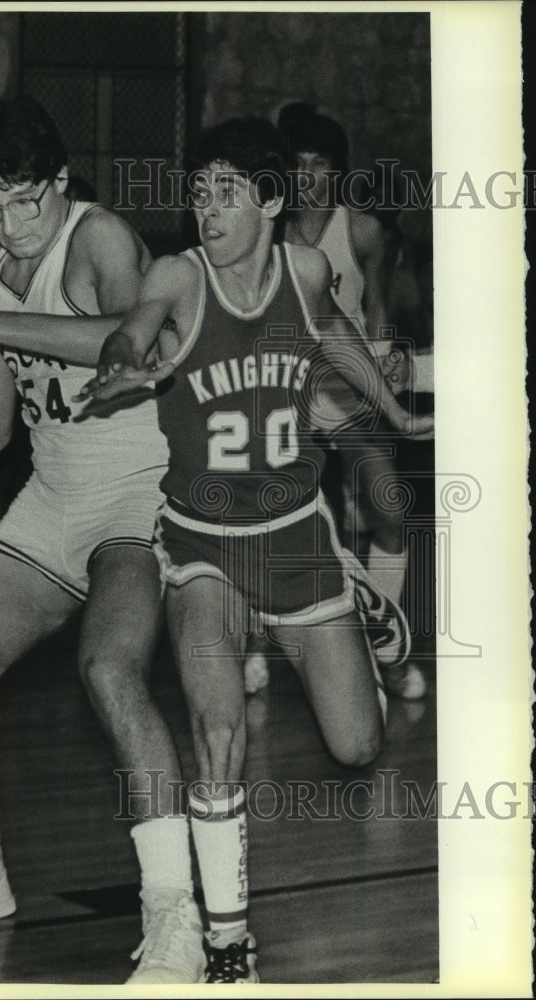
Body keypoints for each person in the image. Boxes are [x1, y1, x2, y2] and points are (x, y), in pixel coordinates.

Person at [78, 117, 433, 982]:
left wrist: (392, 411)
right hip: (202, 543)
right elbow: (137, 324)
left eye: (227, 191)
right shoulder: (176, 275)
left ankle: (366, 607)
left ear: (271, 200)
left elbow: (337, 331)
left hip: (295, 536)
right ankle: (229, 946)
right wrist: (125, 359)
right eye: (199, 190)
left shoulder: (304, 270)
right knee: (217, 731)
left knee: (356, 749)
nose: (207, 206)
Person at [0, 96, 206, 985]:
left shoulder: (98, 238)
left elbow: (132, 343)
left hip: (142, 495)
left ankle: (180, 920)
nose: (13, 225)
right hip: (56, 495)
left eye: (28, 200)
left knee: (110, 668)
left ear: (60, 184)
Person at [264, 101, 429, 700]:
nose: (308, 175)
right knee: (280, 519)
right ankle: (261, 647)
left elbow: (378, 306)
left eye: (321, 164)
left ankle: (387, 642)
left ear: (338, 171)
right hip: (286, 393)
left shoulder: (360, 229)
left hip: (349, 387)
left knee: (390, 508)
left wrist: (385, 358)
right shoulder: (268, 230)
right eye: (299, 163)